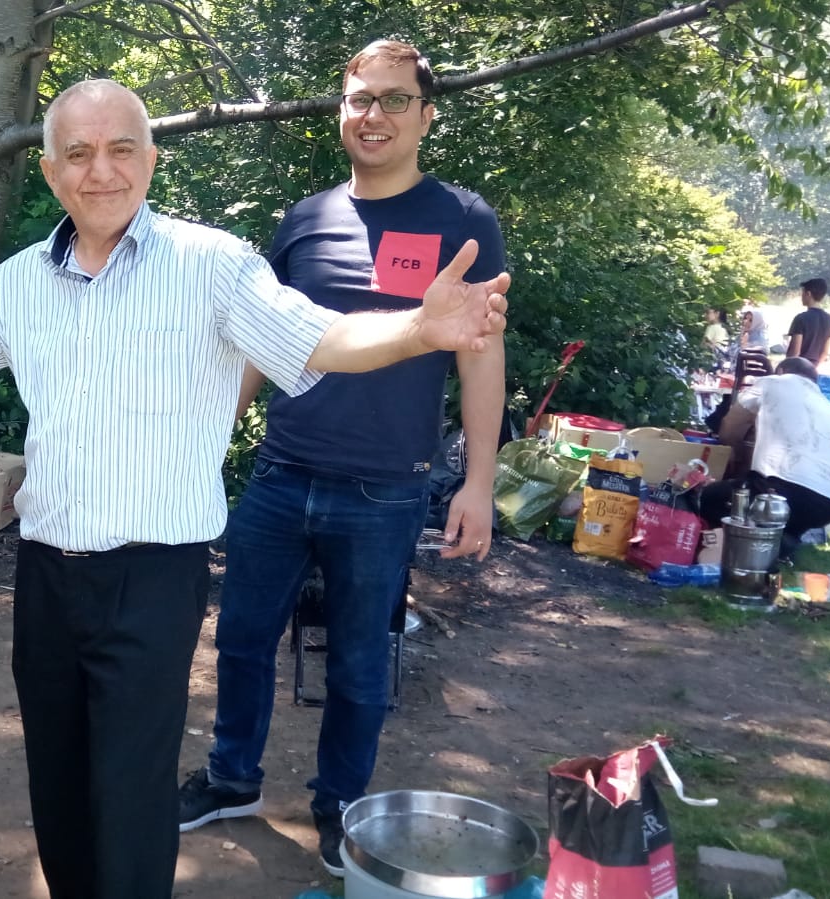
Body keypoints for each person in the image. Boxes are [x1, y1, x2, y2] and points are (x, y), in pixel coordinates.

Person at [0, 79, 509, 899]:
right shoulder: (21, 280)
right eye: (78, 153)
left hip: (151, 579)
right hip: (46, 577)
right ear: (51, 172)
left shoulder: (211, 265)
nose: (101, 171)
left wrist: (417, 328)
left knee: (129, 795)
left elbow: (323, 338)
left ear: (151, 161)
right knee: (57, 783)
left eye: (120, 149)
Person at [176, 40, 507, 877]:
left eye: (394, 99)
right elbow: (261, 340)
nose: (374, 115)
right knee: (240, 638)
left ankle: (338, 808)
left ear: (425, 116)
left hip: (385, 489)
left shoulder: (462, 221)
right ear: (340, 112)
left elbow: (480, 355)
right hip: (281, 472)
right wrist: (206, 438)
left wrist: (477, 481)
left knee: (360, 665)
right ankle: (230, 778)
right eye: (360, 98)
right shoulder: (304, 219)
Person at [700, 357, 830, 559]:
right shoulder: (825, 404)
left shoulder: (771, 382)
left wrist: (734, 453)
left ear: (780, 371)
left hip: (789, 490)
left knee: (710, 497)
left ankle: (745, 545)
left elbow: (731, 426)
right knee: (784, 515)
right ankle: (784, 541)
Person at [787, 277, 830, 367]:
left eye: (802, 293)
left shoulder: (801, 318)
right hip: (814, 367)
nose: (801, 297)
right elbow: (825, 352)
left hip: (798, 367)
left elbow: (795, 352)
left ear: (808, 294)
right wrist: (814, 368)